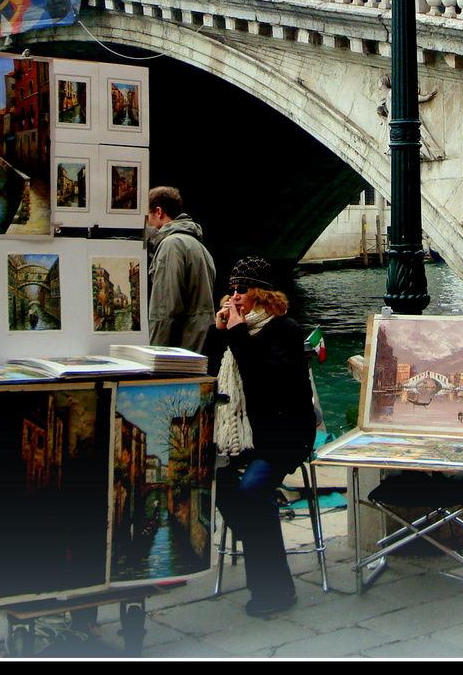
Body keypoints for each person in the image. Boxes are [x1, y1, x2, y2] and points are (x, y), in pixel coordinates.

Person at [205, 256, 318, 618]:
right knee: (213, 482)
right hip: (240, 436)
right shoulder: (236, 333)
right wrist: (218, 333)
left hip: (282, 434)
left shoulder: (285, 329)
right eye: (232, 289)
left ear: (262, 294)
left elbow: (264, 381)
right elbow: (209, 375)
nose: (234, 296)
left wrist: (236, 334)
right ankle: (259, 536)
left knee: (252, 492)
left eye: (243, 289)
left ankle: (276, 587)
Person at [146, 186, 217, 353]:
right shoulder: (199, 247)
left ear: (158, 212)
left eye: (148, 215)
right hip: (198, 347)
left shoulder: (171, 246)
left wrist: (154, 355)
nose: (147, 222)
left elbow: (165, 311)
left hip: (177, 353)